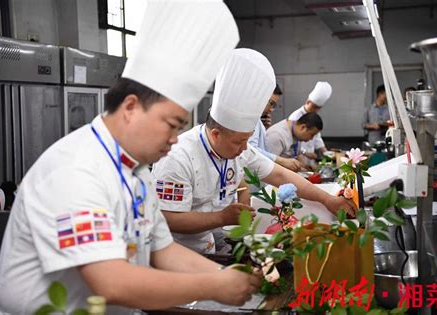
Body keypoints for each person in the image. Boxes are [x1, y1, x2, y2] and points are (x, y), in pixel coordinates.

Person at [0, 2, 262, 314]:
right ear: (131, 108)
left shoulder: (137, 172)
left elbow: (163, 250)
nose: (174, 140)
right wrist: (215, 286)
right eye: (171, 125)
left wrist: (225, 276)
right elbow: (111, 282)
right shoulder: (75, 170)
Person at [152, 48, 356, 255]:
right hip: (175, 254)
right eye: (239, 142)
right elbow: (169, 219)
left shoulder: (238, 149)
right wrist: (222, 217)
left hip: (211, 246)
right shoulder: (178, 157)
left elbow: (280, 174)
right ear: (215, 134)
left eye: (247, 140)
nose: (244, 149)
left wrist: (327, 199)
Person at [248, 84, 303, 172]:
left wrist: (264, 128)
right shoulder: (251, 118)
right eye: (271, 104)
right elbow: (251, 150)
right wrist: (282, 161)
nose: (270, 110)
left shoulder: (257, 120)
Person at [288, 81, 332, 163]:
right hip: (297, 159)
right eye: (314, 107)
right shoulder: (295, 117)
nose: (316, 110)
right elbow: (291, 143)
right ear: (308, 102)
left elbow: (317, 138)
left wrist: (326, 153)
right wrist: (305, 152)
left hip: (310, 159)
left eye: (318, 108)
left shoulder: (313, 117)